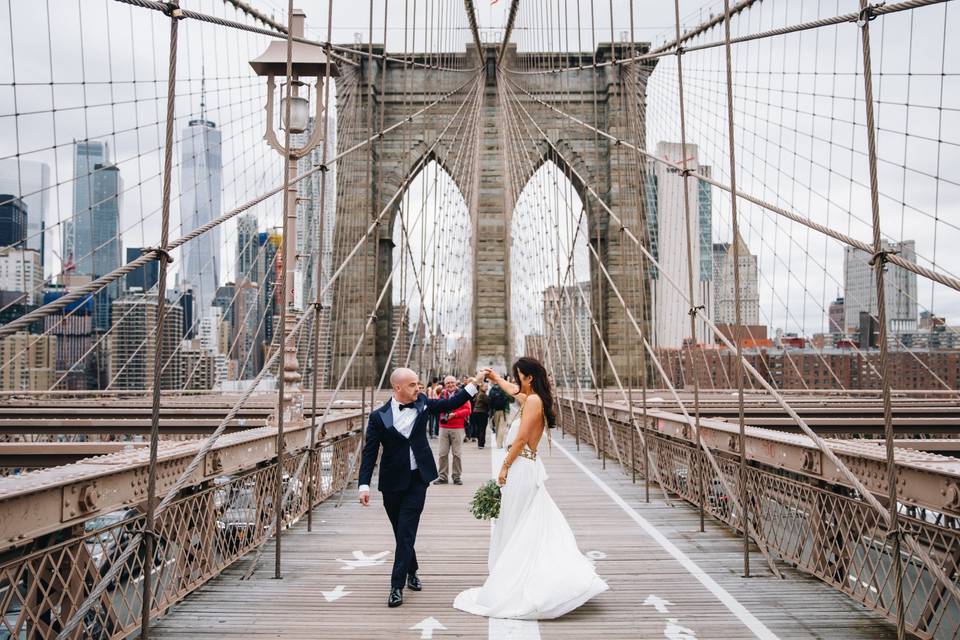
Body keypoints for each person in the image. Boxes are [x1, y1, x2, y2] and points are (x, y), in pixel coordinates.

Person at [453, 357, 608, 619]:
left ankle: (526, 580)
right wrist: (494, 377)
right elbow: (512, 390)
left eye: (518, 376)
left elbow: (522, 438)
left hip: (521, 467)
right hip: (525, 467)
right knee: (522, 521)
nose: (515, 381)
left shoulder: (533, 402)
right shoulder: (533, 399)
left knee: (517, 521)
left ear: (529, 378)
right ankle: (523, 573)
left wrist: (503, 466)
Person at [358, 367, 482, 608]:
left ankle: (396, 586)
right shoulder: (378, 417)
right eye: (413, 384)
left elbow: (452, 403)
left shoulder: (423, 403)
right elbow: (369, 452)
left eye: (419, 383)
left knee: (405, 531)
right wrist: (364, 485)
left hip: (418, 480)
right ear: (398, 388)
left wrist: (475, 383)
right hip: (392, 483)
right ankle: (412, 570)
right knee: (401, 532)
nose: (419, 388)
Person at [436, 375, 471, 484]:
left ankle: (456, 477)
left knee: (457, 454)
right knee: (442, 453)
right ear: (444, 385)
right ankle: (442, 476)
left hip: (457, 428)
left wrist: (455, 414)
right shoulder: (441, 395)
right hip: (443, 428)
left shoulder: (462, 395)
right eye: (448, 383)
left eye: (452, 382)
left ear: (456, 383)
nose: (450, 385)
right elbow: (436, 407)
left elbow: (468, 410)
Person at [487, 379, 514, 449]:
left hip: (495, 411)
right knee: (501, 428)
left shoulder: (492, 390)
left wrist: (490, 412)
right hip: (504, 411)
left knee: (497, 427)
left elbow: (489, 401)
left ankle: (498, 442)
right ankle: (499, 443)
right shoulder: (505, 390)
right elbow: (512, 400)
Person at [470, 381, 490, 449]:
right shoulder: (483, 395)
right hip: (482, 412)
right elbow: (489, 402)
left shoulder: (478, 394)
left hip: (476, 412)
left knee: (479, 428)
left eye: (487, 386)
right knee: (482, 428)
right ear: (481, 387)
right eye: (485, 386)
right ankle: (481, 444)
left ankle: (480, 443)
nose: (487, 388)